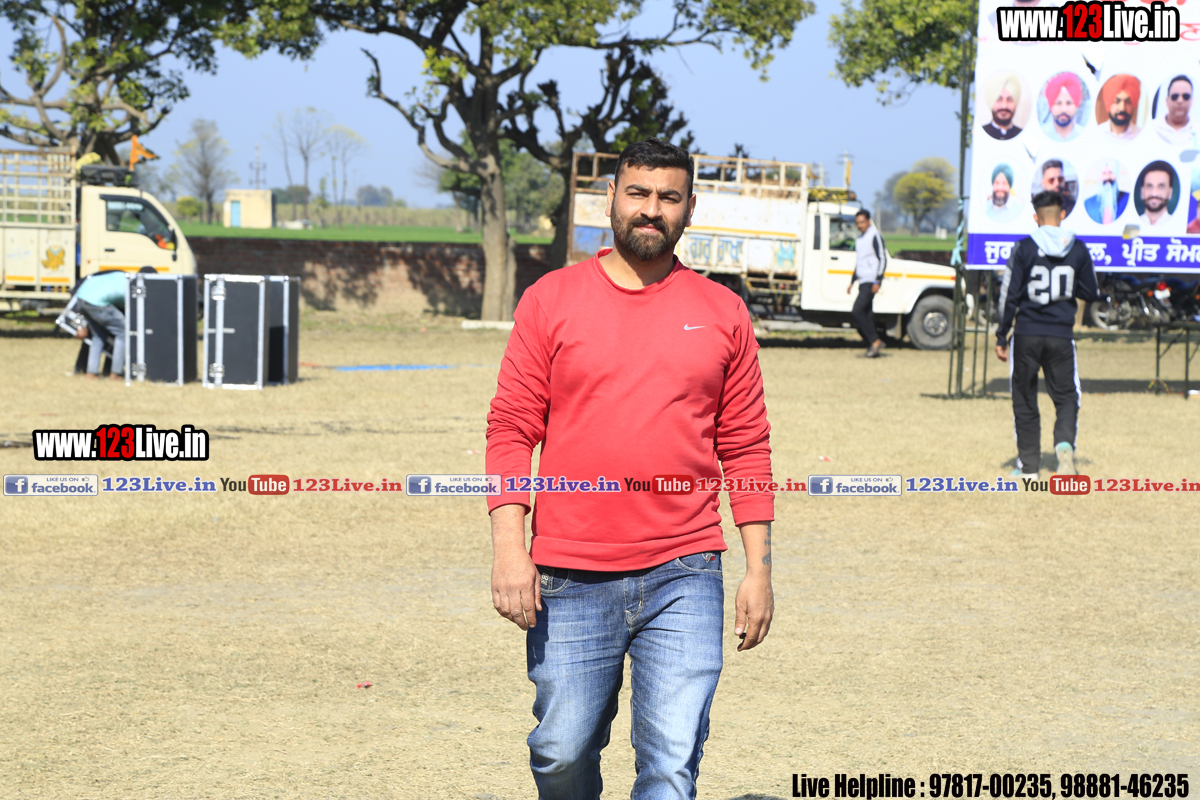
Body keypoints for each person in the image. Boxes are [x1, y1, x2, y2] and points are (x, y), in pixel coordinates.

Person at [486, 138, 774, 800]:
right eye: (638, 193)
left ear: (690, 209)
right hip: (569, 573)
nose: (651, 209)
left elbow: (747, 446)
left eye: (669, 197)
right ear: (611, 199)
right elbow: (511, 429)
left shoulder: (723, 312)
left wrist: (758, 569)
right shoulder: (550, 299)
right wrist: (509, 549)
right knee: (561, 753)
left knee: (671, 765)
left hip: (686, 571)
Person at [995, 190, 1102, 477]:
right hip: (1061, 335)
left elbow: (1009, 296)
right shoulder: (1078, 248)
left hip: (1026, 334)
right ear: (1062, 214)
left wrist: (1001, 334)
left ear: (1036, 217)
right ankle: (1064, 445)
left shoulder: (1024, 248)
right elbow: (1091, 291)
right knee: (1066, 396)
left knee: (1024, 398)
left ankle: (1029, 467)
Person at [73, 269, 143, 380]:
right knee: (124, 333)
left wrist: (80, 324)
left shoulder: (121, 275)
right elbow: (131, 308)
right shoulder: (133, 288)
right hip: (97, 302)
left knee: (98, 335)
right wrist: (80, 325)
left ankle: (91, 373)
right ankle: (116, 373)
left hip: (81, 297)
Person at [845, 208, 888, 358]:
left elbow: (882, 258)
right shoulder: (859, 239)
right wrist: (852, 281)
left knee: (857, 310)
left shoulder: (875, 235)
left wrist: (878, 280)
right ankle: (872, 348)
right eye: (857, 223)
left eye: (862, 222)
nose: (859, 225)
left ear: (868, 221)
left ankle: (875, 341)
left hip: (871, 280)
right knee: (867, 314)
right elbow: (859, 262)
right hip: (862, 280)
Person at [1097, 74, 1142, 141]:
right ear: (1109, 104)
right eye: (1117, 101)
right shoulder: (1097, 133)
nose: (1122, 108)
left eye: (1127, 102)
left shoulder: (1141, 135)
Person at [1154, 75, 1195, 146]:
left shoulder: (1197, 131)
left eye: (1185, 96)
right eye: (1175, 96)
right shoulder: (1153, 127)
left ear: (1191, 101)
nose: (1180, 100)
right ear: (1167, 101)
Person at [1043, 73, 1083, 141]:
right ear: (1050, 106)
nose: (1064, 109)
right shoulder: (1039, 135)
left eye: (1069, 103)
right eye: (1058, 103)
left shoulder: (1086, 135)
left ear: (1076, 105)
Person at [1137, 161, 1176, 229]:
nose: (1154, 193)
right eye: (1149, 186)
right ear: (1142, 192)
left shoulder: (1177, 226)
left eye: (1161, 186)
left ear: (1170, 192)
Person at [983, 75, 1024, 140]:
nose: (1004, 106)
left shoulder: (1023, 134)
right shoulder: (981, 133)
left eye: (1009, 100)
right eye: (998, 99)